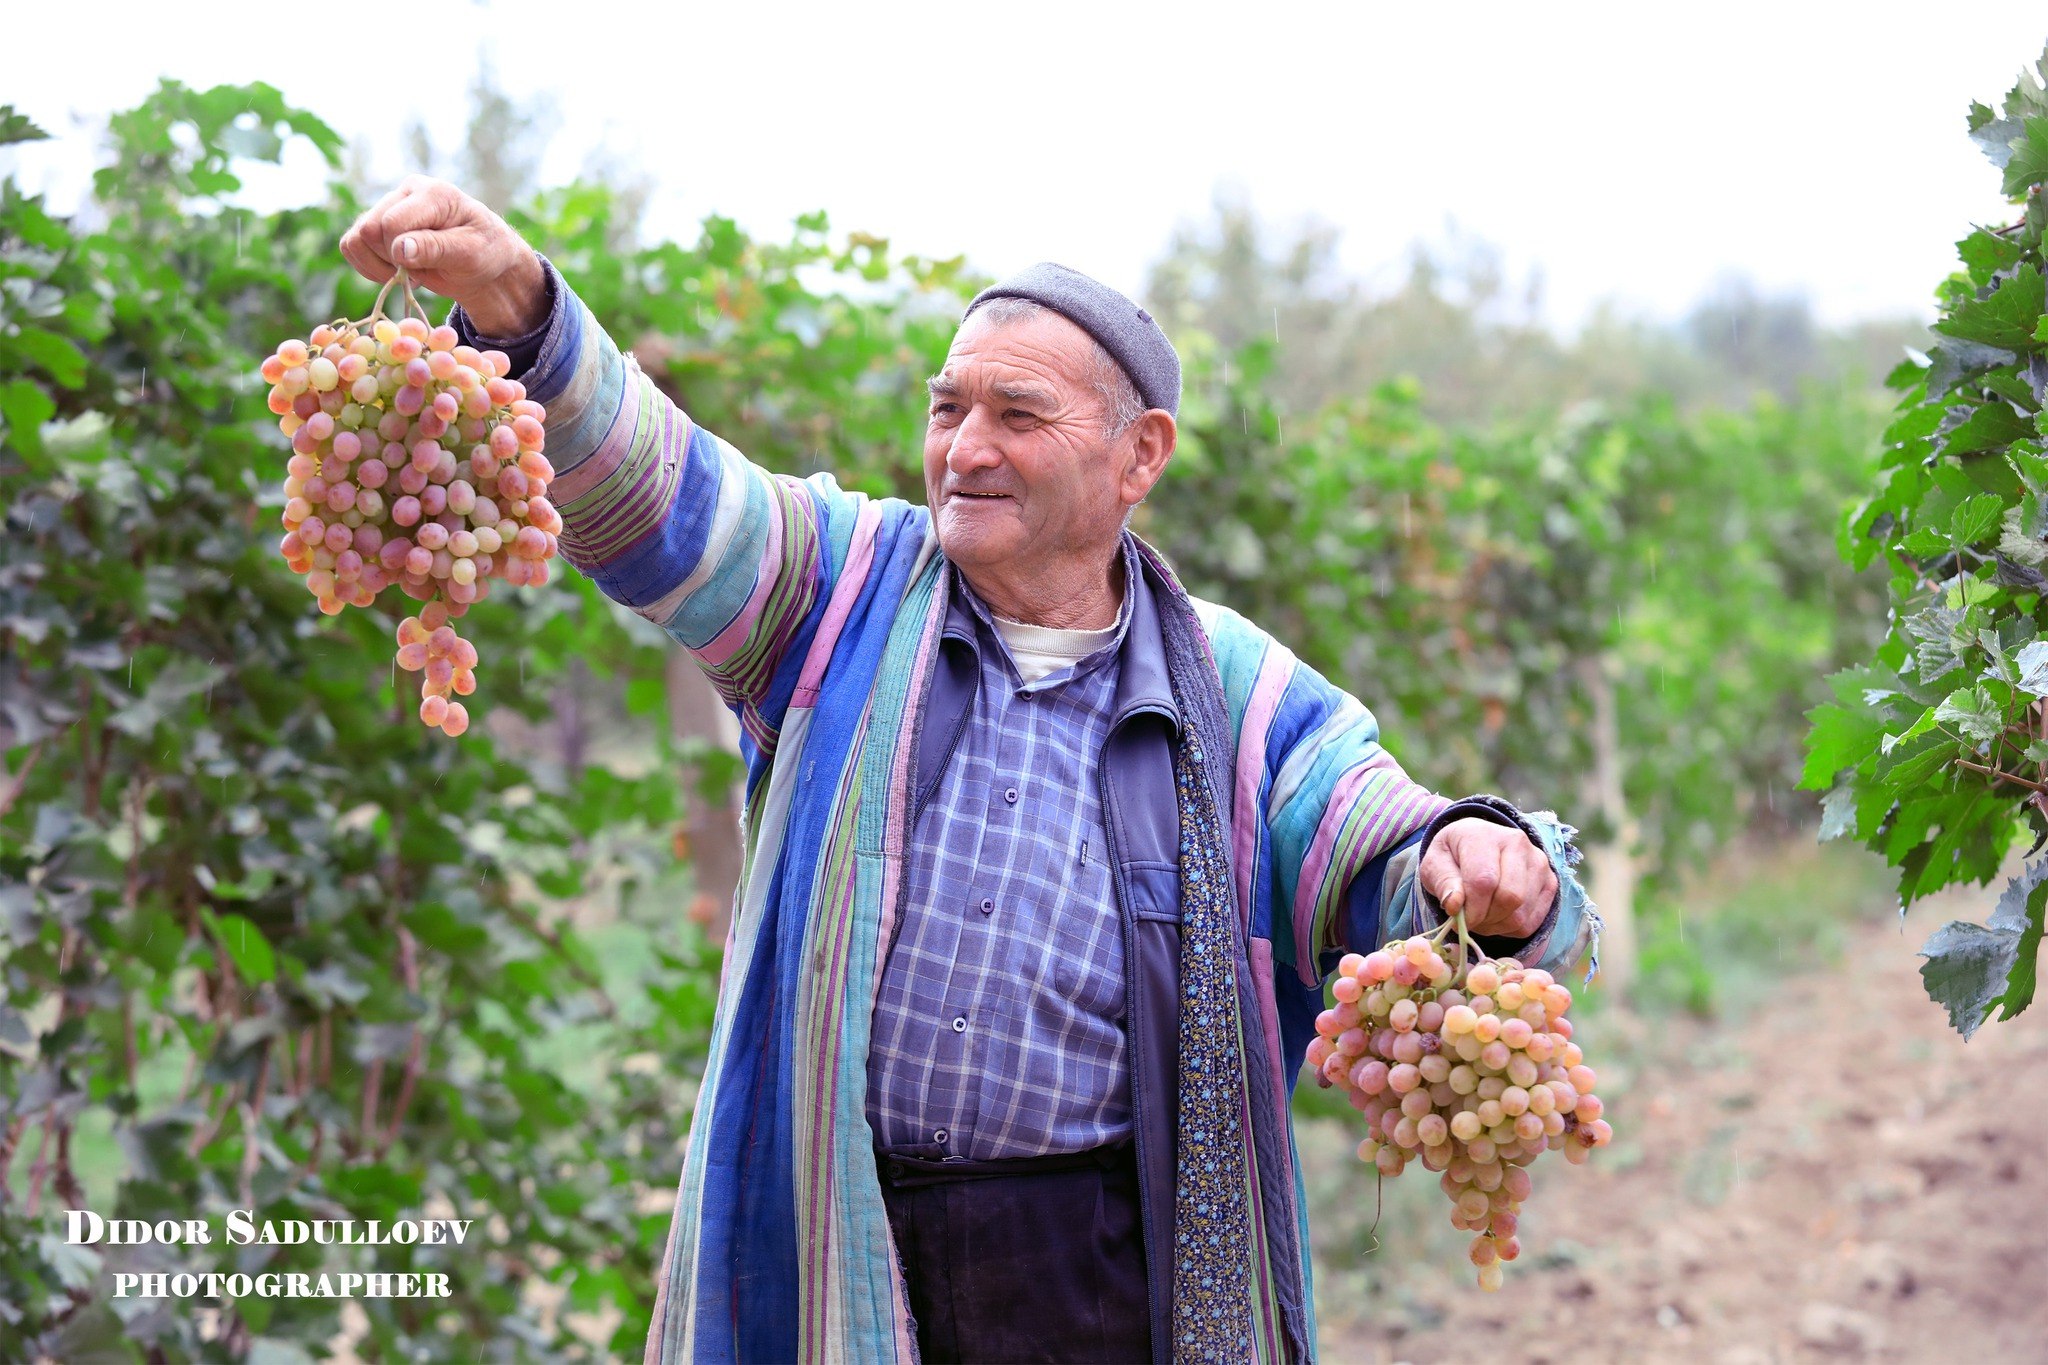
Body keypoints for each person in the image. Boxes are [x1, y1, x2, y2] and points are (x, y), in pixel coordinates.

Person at [340, 178, 1597, 1365]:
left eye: (1017, 415)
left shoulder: (1236, 691)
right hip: (845, 1238)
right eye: (948, 408)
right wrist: (525, 314)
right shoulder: (833, 593)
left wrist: (1486, 868)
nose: (965, 448)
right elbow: (662, 489)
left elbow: (1382, 853)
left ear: (1138, 455)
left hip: (1101, 1271)